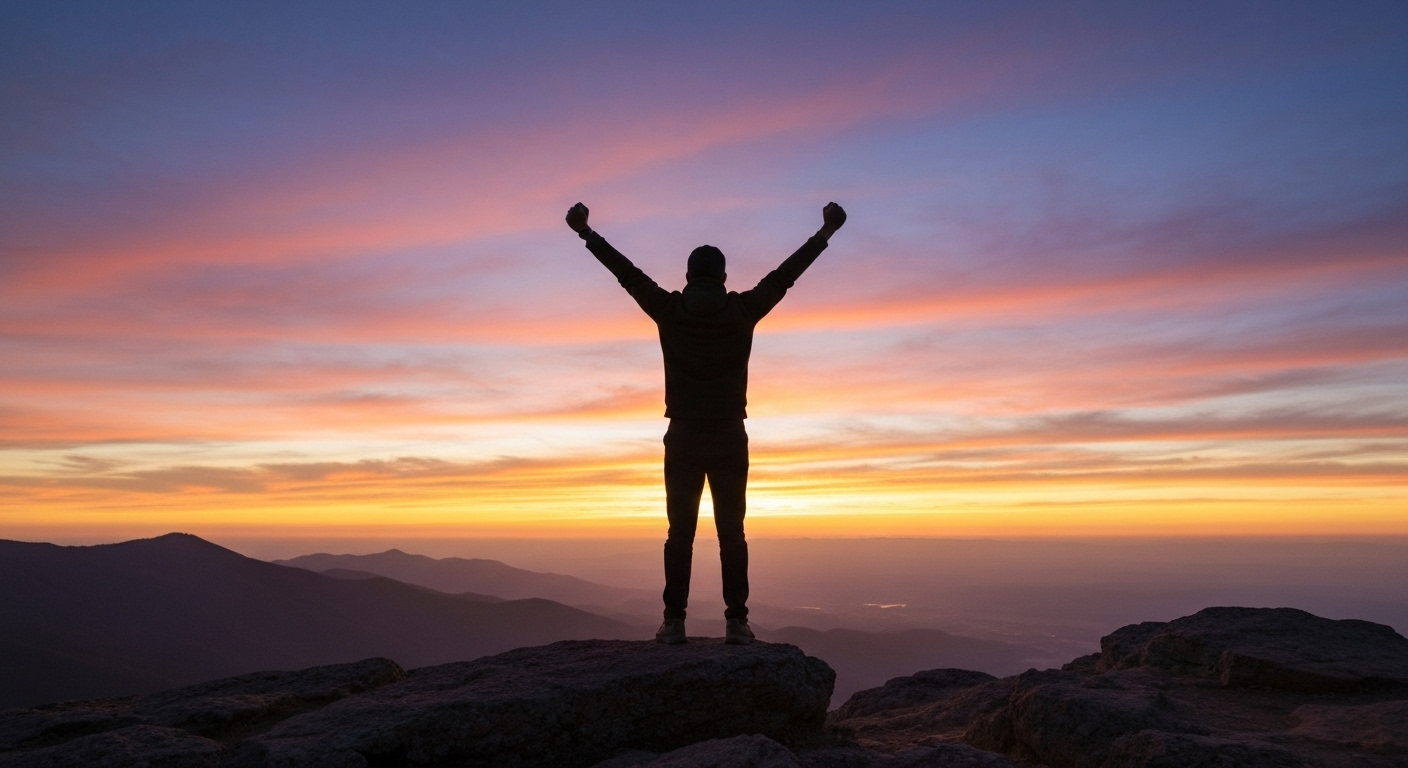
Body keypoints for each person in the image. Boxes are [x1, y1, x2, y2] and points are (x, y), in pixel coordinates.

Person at [566, 201, 847, 645]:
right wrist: (825, 232)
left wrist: (586, 232)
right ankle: (737, 621)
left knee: (680, 533)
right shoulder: (741, 312)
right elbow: (784, 276)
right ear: (723, 279)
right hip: (729, 436)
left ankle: (673, 621)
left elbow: (627, 273)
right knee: (731, 534)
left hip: (683, 436)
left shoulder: (669, 310)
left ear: (687, 276)